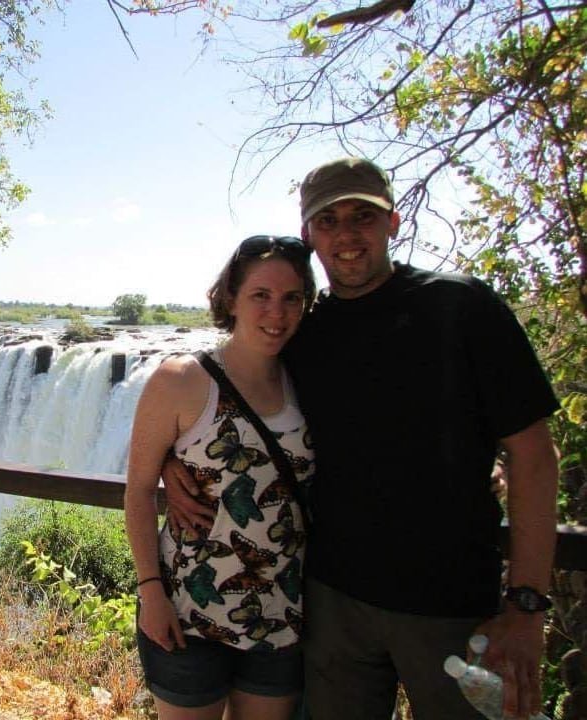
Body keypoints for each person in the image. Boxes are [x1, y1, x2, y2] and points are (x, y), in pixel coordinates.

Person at [162, 157, 560, 720]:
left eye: (362, 217)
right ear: (309, 235)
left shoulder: (462, 307)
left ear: (393, 222)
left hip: (450, 608)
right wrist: (169, 464)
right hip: (331, 606)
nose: (346, 236)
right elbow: (224, 400)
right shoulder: (302, 331)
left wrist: (525, 607)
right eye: (329, 221)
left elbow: (535, 457)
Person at [125, 235, 317, 720]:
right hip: (188, 613)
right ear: (231, 298)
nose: (277, 312)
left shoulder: (309, 380)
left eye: (291, 297)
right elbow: (140, 489)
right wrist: (150, 591)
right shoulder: (182, 379)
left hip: (282, 616)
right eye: (261, 295)